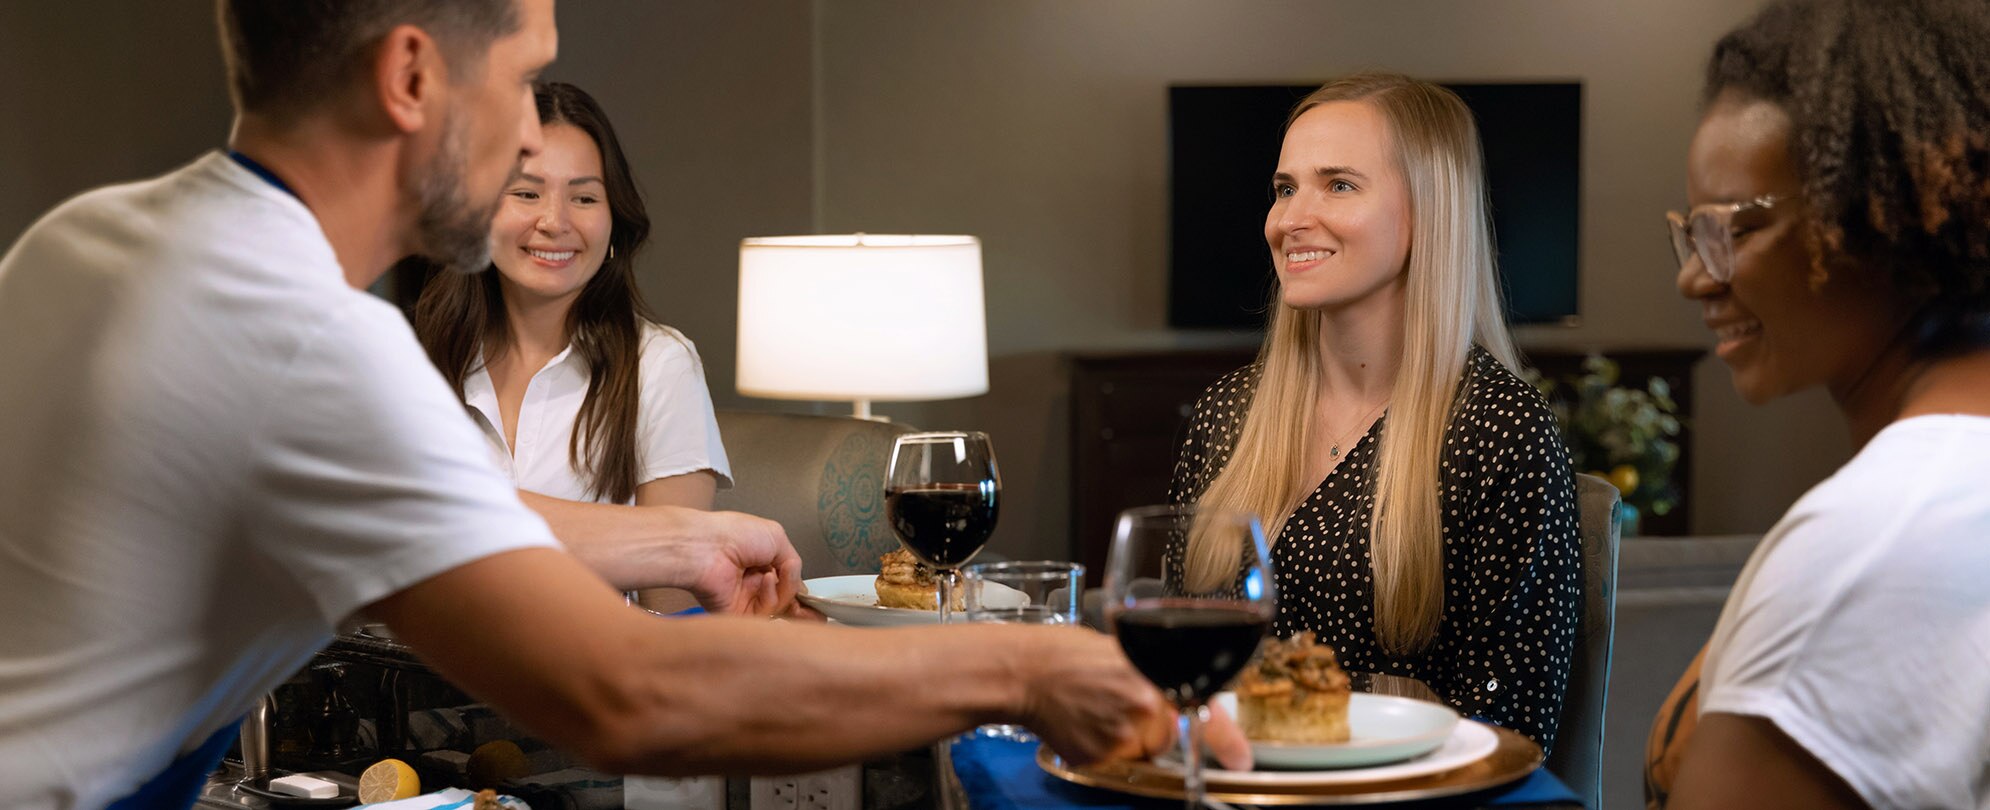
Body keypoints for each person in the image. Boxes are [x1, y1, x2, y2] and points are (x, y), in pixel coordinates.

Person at [0, 2, 1225, 807]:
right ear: (413, 73)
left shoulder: (88, 242)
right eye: (527, 79)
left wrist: (679, 539)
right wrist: (1027, 666)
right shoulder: (311, 344)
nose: (536, 131)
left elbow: (446, 506)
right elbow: (631, 696)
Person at [1643, 0, 1990, 807]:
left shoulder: (1874, 543)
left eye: (1727, 228)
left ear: (1879, 213)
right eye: (1687, 235)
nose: (1695, 276)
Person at [1170, 71, 1582, 749]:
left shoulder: (1502, 431)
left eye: (1338, 184)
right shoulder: (1226, 416)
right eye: (1284, 188)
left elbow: (1513, 730)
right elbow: (1179, 674)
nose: (1290, 219)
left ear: (1426, 210)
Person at [412, 82, 728, 609]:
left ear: (613, 224)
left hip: (595, 678)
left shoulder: (661, 366)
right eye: (526, 193)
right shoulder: (412, 359)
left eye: (584, 197)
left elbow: (673, 611)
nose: (555, 222)